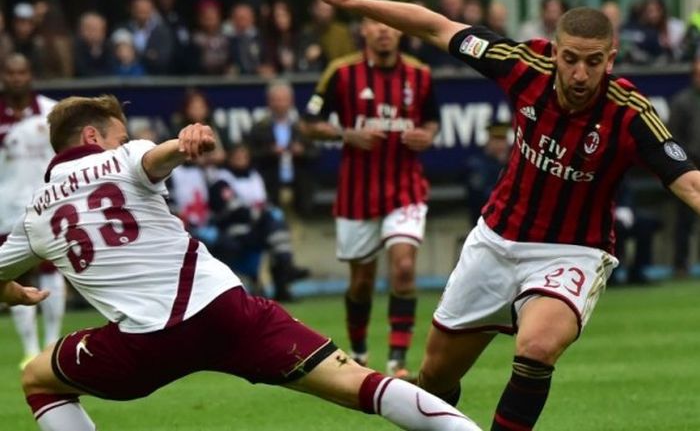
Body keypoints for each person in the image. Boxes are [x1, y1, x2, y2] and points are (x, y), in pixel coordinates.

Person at [292, 0, 700, 430]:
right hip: (496, 240)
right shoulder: (522, 65)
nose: (580, 74)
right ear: (555, 50)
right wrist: (349, 0)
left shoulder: (630, 113)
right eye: (570, 59)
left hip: (572, 252)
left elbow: (689, 182)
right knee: (435, 378)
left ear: (611, 59)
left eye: (593, 61)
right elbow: (434, 26)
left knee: (538, 346)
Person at [0, 94, 479, 431]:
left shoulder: (35, 217)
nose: (127, 139)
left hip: (142, 349)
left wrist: (11, 291)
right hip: (222, 312)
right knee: (358, 382)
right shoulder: (126, 155)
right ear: (93, 135)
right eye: (119, 133)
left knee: (39, 378)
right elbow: (157, 157)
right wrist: (187, 141)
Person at [301, 7, 440, 379]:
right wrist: (346, 134)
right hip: (357, 193)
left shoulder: (420, 75)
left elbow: (431, 121)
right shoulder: (342, 73)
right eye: (376, 25)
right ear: (364, 31)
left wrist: (427, 135)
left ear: (400, 33)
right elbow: (308, 123)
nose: (383, 32)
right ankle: (359, 354)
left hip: (406, 187)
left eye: (391, 26)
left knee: (405, 268)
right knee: (361, 282)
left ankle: (398, 362)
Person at [0, 53, 64, 370]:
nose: (16, 78)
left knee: (54, 269)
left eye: (21, 72)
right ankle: (29, 349)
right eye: (10, 73)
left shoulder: (53, 111)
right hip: (6, 207)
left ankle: (51, 342)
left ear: (30, 75)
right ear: (3, 76)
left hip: (47, 205)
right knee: (13, 274)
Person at [209, 144, 309, 302]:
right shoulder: (222, 179)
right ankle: (286, 268)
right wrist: (259, 214)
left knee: (275, 225)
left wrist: (263, 213)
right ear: (230, 158)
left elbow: (264, 201)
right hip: (233, 228)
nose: (242, 160)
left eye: (244, 156)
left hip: (257, 227)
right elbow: (233, 209)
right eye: (237, 156)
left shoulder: (254, 176)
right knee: (274, 226)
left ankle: (283, 277)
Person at [248, 79, 318, 217]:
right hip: (270, 185)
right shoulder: (259, 127)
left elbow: (316, 153)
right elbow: (251, 155)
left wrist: (302, 151)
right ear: (269, 102)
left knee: (300, 229)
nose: (280, 104)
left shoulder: (302, 127)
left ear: (291, 101)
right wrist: (269, 152)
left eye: (283, 100)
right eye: (276, 100)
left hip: (299, 185)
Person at [668, 52, 700, 277]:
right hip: (689, 164)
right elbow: (672, 137)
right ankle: (680, 264)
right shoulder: (682, 101)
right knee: (684, 220)